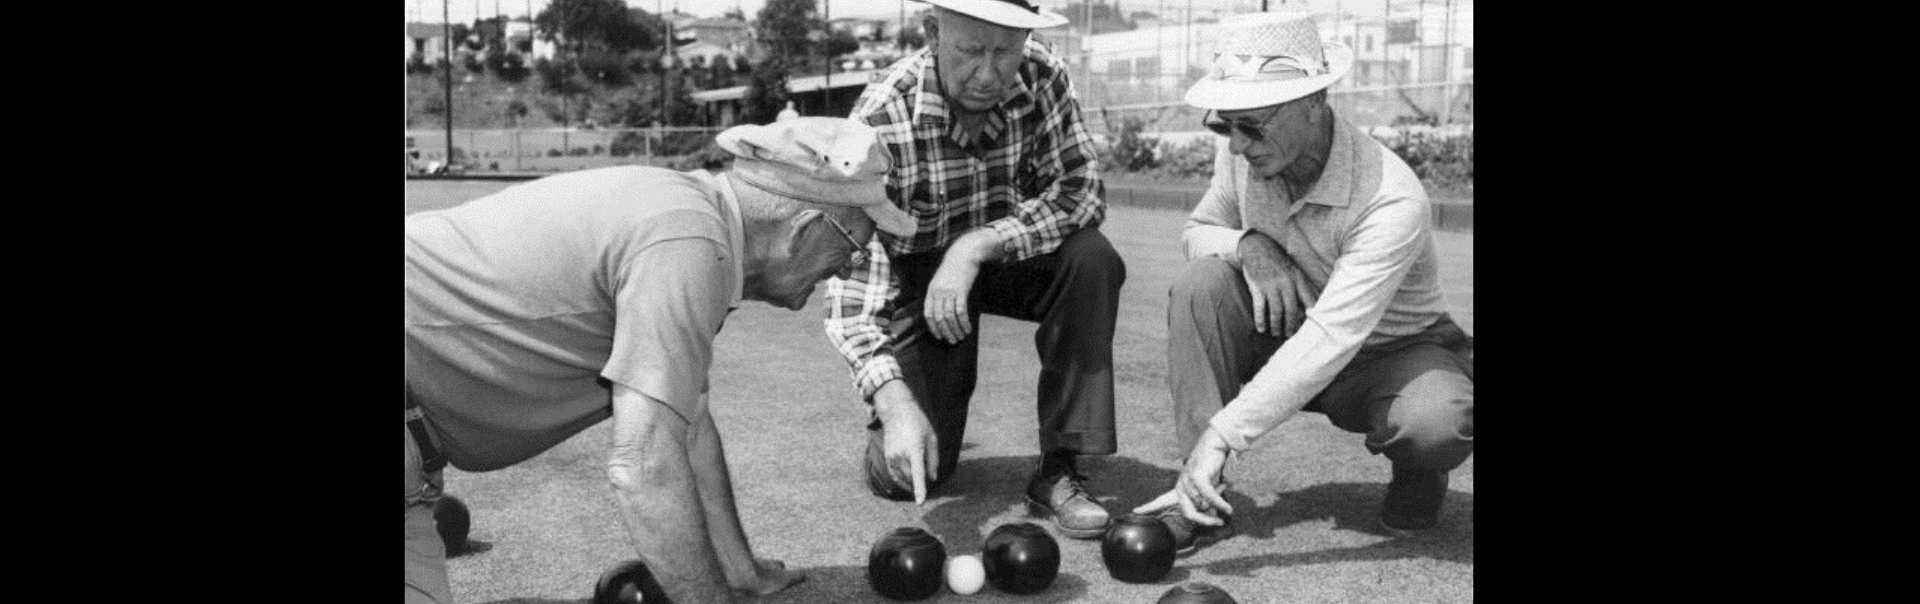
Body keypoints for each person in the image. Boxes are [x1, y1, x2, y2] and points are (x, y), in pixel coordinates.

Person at [404, 117, 917, 603]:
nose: (848, 271)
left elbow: (689, 429)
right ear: (803, 230)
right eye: (853, 248)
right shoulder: (689, 242)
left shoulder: (692, 219)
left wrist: (739, 570)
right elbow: (644, 466)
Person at [1132, 11, 1474, 546]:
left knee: (1436, 422)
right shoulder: (1241, 156)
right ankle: (1198, 492)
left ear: (1315, 104)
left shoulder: (1390, 198)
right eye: (1225, 125)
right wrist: (1249, 245)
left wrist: (1225, 433)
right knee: (1202, 284)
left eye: (1252, 125)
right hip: (1291, 331)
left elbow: (1333, 336)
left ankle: (1418, 470)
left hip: (1389, 353)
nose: (1238, 145)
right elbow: (1198, 231)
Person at [825, 0, 1123, 540]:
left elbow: (1081, 191)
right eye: (970, 51)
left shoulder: (1044, 75)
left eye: (1005, 52)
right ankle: (909, 420)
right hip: (921, 280)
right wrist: (893, 403)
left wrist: (975, 246)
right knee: (910, 476)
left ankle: (1062, 465)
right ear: (933, 32)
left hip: (1006, 254)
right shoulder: (882, 116)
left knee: (1092, 258)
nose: (988, 74)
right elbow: (851, 287)